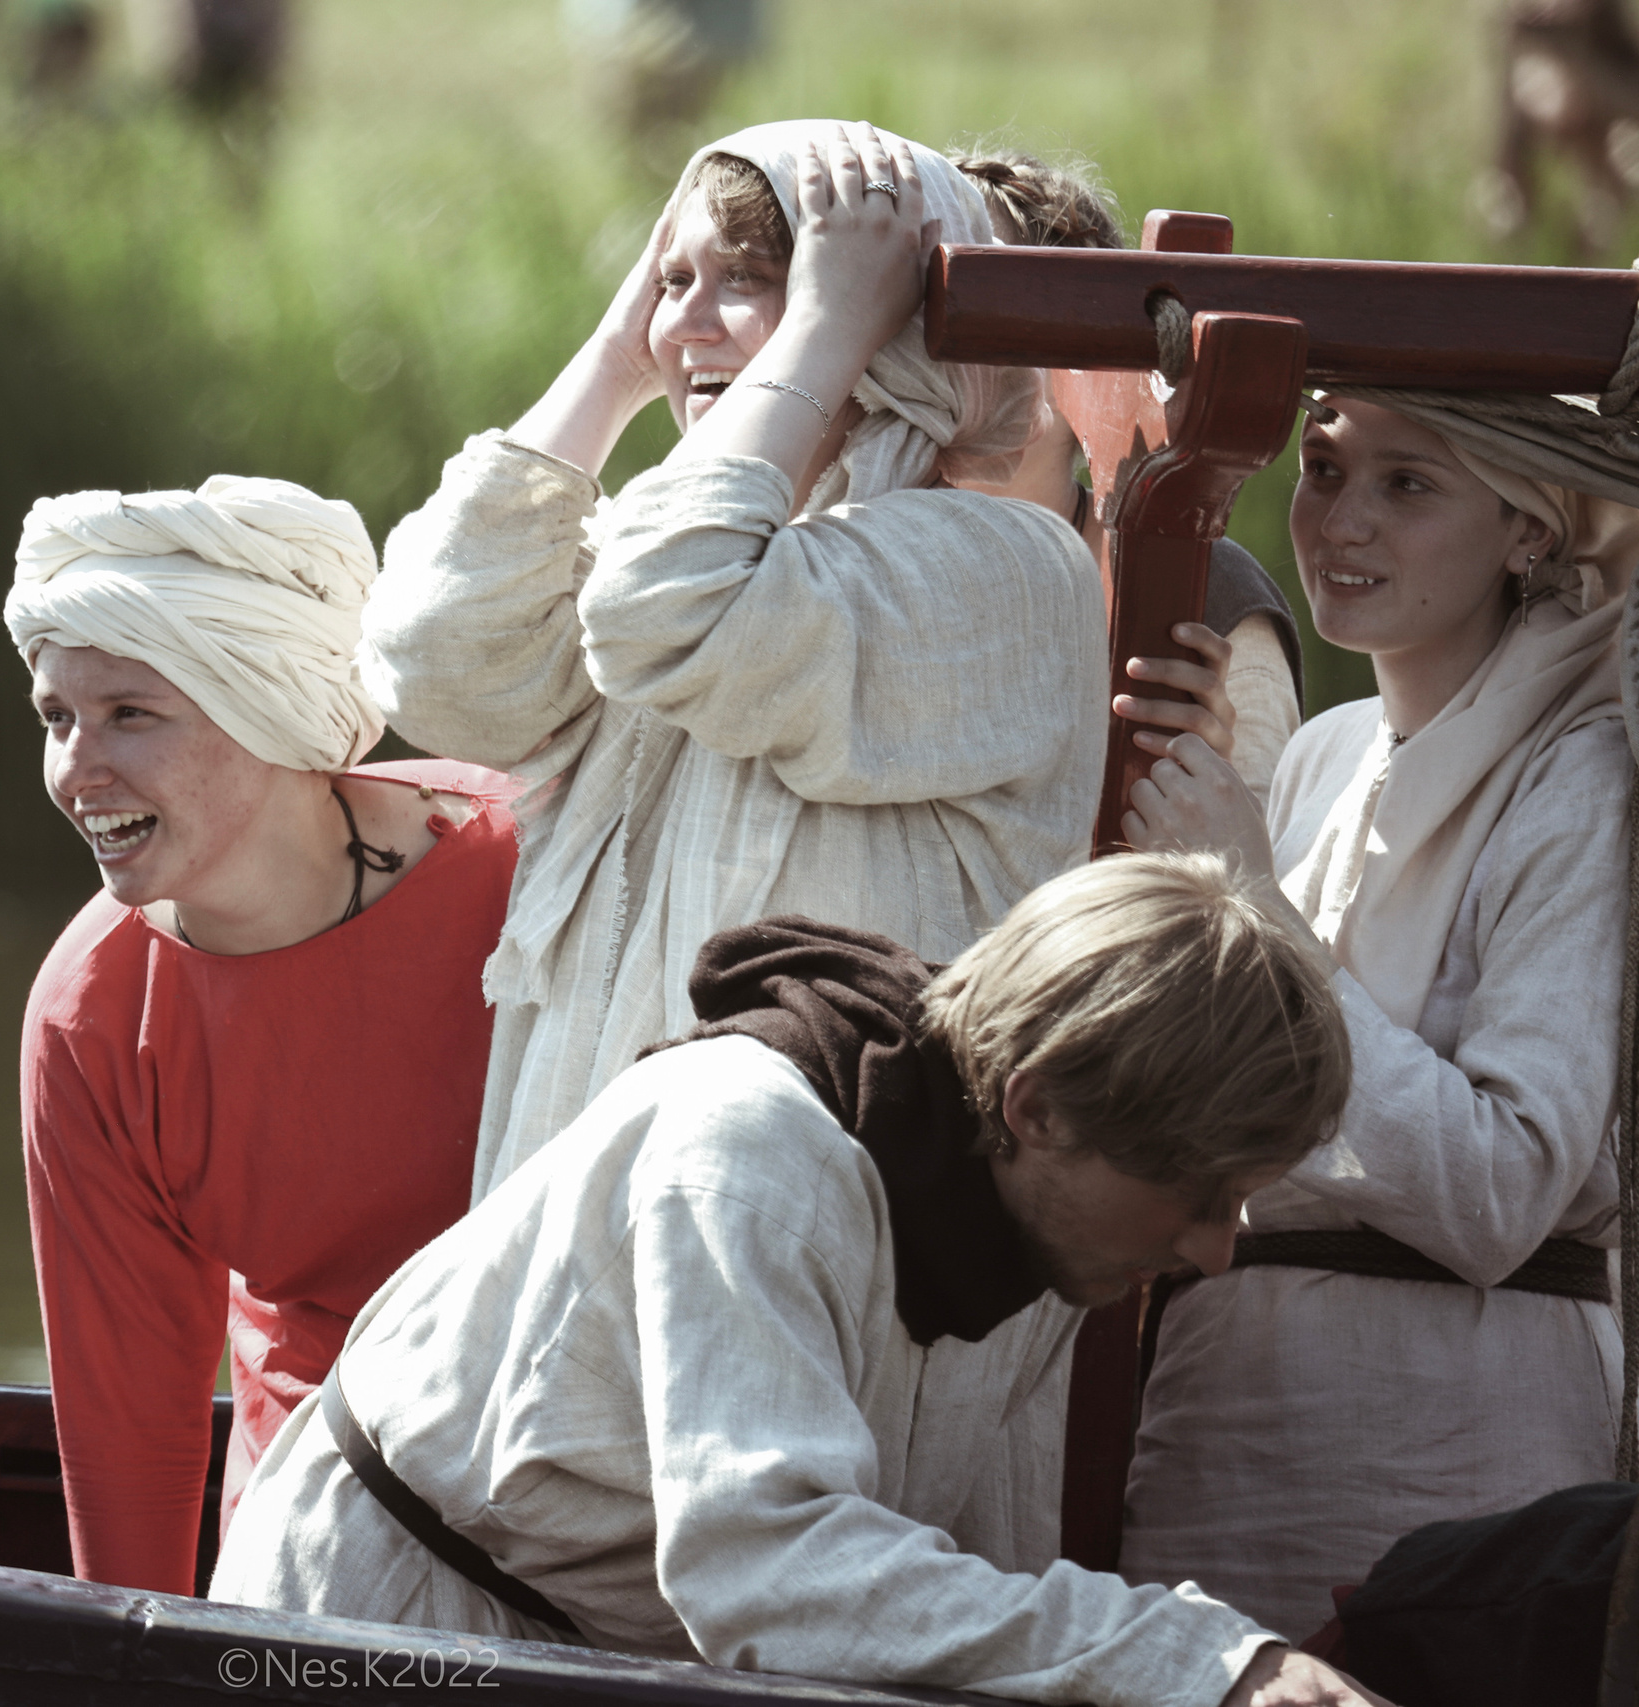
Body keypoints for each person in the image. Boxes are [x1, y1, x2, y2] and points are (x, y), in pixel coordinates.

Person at [212, 853, 1382, 1707]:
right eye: (1198, 1192)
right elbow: (762, 1572)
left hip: (590, 1650)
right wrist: (1198, 1662)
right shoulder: (747, 1157)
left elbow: (917, 1566)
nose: (1218, 1248)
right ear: (1037, 1108)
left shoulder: (1030, 1208)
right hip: (379, 1639)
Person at [361, 120, 1104, 1204]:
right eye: (671, 280)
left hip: (811, 1268)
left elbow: (673, 609)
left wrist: (829, 322)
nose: (688, 323)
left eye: (750, 278)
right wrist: (621, 355)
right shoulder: (674, 549)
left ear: (889, 322)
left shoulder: (1006, 571)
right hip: (587, 1223)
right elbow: (433, 663)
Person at [1116, 385, 1636, 1638]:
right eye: (1326, 470)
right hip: (1216, 1411)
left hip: (1454, 1436)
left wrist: (1249, 897)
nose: (1340, 522)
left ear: (1530, 528)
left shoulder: (1585, 773)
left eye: (1407, 485)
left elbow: (1500, 1189)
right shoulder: (1319, 752)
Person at [7, 474, 520, 1596]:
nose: (73, 769)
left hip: (577, 1457)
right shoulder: (91, 1016)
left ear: (265, 702)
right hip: (320, 1519)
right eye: (57, 718)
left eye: (128, 714)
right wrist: (134, 1675)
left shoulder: (530, 868)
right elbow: (127, 1417)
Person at [950, 150, 1307, 805]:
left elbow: (1261, 878)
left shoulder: (1208, 598)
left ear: (1096, 355)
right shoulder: (839, 546)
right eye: (953, 313)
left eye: (1010, 312)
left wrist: (1214, 786)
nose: (971, 354)